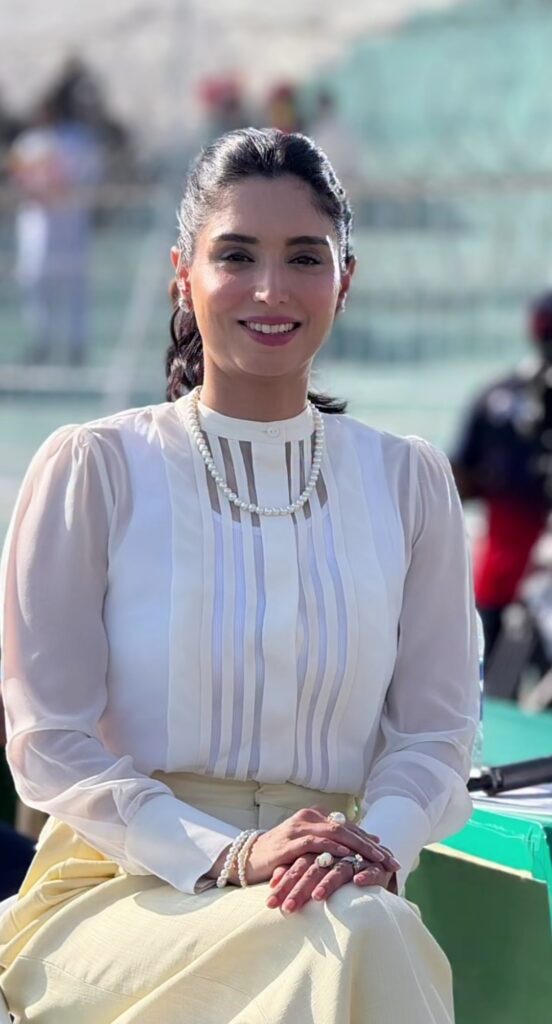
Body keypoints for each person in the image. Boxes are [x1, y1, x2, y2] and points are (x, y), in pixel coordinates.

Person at [0, 128, 479, 1023]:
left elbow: (437, 734)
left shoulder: (408, 482)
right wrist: (230, 853)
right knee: (360, 937)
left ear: (345, 278)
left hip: (334, 882)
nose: (271, 289)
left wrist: (371, 847)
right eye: (236, 255)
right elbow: (47, 740)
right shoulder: (95, 468)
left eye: (304, 257)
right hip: (122, 886)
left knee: (360, 925)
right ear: (182, 274)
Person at [450, 291, 552, 683]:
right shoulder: (500, 396)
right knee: (496, 691)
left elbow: (460, 476)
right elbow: (460, 476)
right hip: (504, 577)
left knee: (492, 696)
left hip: (502, 576)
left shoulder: (496, 394)